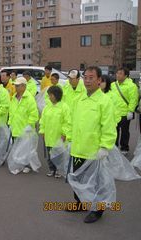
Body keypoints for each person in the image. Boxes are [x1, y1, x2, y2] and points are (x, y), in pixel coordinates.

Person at [67, 66, 117, 223]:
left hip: (94, 151)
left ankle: (97, 210)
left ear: (99, 80)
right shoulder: (79, 99)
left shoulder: (105, 101)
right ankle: (81, 203)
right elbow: (73, 122)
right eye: (85, 77)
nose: (87, 81)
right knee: (78, 180)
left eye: (91, 77)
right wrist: (70, 139)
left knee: (96, 183)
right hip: (78, 148)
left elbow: (109, 126)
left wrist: (105, 147)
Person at [8, 77, 39, 173]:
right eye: (15, 85)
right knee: (16, 148)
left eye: (17, 86)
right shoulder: (14, 97)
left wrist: (30, 125)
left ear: (24, 86)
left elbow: (34, 114)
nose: (15, 87)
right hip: (15, 128)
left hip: (25, 129)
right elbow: (11, 112)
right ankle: (18, 164)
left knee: (25, 149)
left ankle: (25, 165)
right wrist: (10, 123)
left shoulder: (29, 99)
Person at [39, 86, 71, 178]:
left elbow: (67, 122)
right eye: (49, 95)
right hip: (49, 136)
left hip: (59, 136)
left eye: (51, 95)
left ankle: (59, 170)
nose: (49, 97)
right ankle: (52, 169)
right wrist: (43, 131)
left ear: (56, 95)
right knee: (50, 154)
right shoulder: (47, 107)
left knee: (59, 154)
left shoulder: (64, 107)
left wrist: (64, 133)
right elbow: (43, 120)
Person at [111, 68, 139, 154]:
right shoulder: (113, 85)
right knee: (114, 131)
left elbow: (133, 99)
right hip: (114, 113)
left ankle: (124, 147)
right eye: (117, 73)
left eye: (120, 73)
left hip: (125, 113)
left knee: (124, 131)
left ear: (126, 76)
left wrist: (130, 111)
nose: (118, 75)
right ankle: (114, 147)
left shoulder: (131, 86)